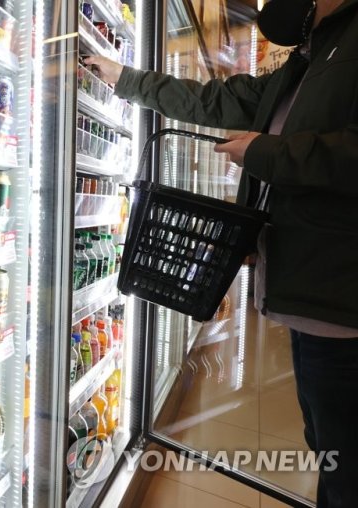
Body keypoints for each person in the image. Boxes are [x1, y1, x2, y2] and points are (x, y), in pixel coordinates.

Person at [86, 0, 358, 506]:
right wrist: (125, 78)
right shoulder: (307, 58)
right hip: (308, 293)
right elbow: (215, 100)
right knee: (327, 445)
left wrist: (262, 153)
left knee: (345, 460)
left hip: (342, 298)